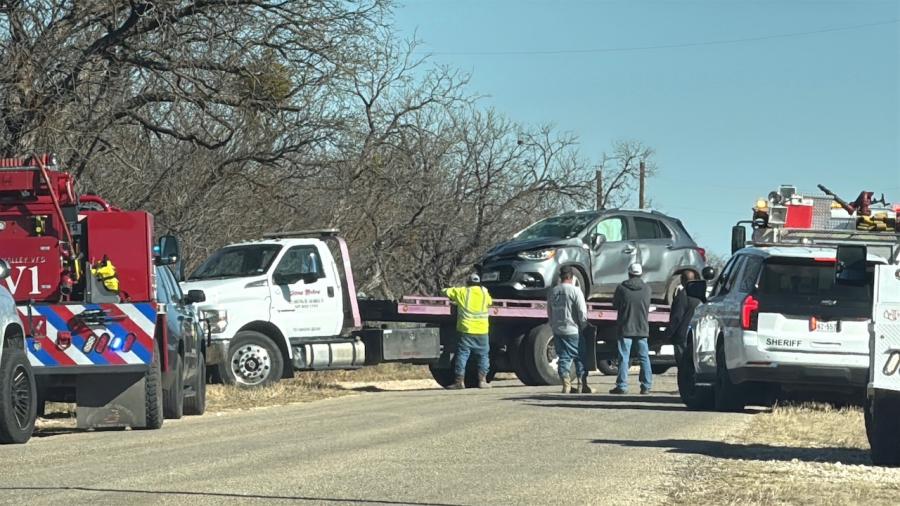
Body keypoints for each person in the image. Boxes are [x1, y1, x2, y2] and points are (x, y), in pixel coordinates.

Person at [443, 273, 493, 390]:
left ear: (468, 282)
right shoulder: (484, 293)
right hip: (482, 330)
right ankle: (482, 381)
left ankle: (459, 382)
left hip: (467, 329)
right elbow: (490, 302)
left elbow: (445, 291)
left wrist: (446, 289)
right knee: (483, 356)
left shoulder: (462, 292)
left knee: (462, 355)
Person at [547, 266, 592, 394]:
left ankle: (566, 384)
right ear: (571, 277)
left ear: (560, 277)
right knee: (580, 356)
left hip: (558, 330)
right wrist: (583, 326)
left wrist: (553, 324)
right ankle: (581, 385)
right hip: (573, 329)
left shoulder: (553, 291)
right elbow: (582, 311)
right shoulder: (575, 291)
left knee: (563, 357)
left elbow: (549, 311)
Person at [610, 263, 652, 395]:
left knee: (624, 357)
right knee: (644, 357)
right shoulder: (647, 289)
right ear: (641, 274)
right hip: (642, 328)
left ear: (629, 273)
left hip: (625, 327)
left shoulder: (622, 288)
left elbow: (615, 305)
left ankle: (622, 386)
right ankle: (646, 385)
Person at [667, 271, 702, 366]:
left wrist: (669, 333)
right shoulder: (699, 295)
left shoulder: (683, 295)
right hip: (697, 334)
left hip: (682, 336)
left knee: (683, 364)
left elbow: (677, 317)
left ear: (682, 281)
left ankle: (684, 380)